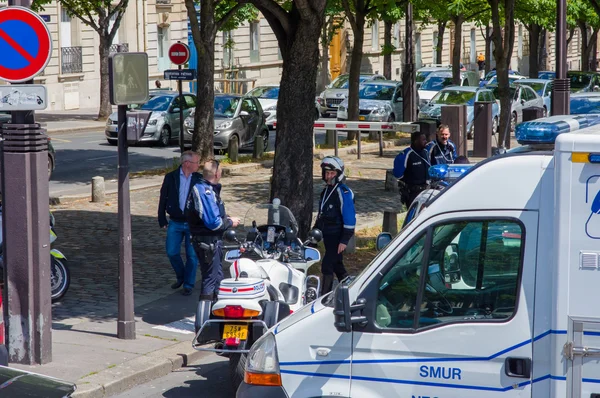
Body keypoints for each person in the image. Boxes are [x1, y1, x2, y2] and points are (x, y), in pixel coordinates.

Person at [188, 159, 240, 303]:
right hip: (207, 242)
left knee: (217, 278)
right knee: (210, 279)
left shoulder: (204, 188)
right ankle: (203, 320)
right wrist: (230, 222)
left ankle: (217, 312)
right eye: (221, 171)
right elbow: (214, 223)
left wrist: (225, 217)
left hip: (207, 241)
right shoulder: (206, 191)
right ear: (216, 173)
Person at [158, 151, 201, 296]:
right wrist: (161, 218)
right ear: (187, 163)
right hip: (175, 222)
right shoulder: (171, 177)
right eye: (196, 162)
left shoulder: (199, 179)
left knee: (192, 256)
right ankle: (181, 276)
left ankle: (188, 284)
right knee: (171, 252)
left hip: (192, 223)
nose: (198, 165)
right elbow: (163, 197)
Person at [314, 156, 356, 295]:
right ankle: (351, 291)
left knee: (327, 266)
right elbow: (322, 214)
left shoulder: (343, 191)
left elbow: (349, 217)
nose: (328, 176)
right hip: (328, 235)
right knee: (337, 265)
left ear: (338, 174)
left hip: (337, 236)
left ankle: (324, 296)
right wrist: (315, 231)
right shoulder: (326, 191)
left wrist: (345, 240)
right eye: (326, 173)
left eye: (332, 173)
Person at [393, 131, 430, 208]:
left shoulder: (425, 153)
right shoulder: (407, 154)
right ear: (416, 141)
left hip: (425, 190)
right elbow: (398, 174)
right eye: (423, 140)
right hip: (412, 192)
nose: (426, 142)